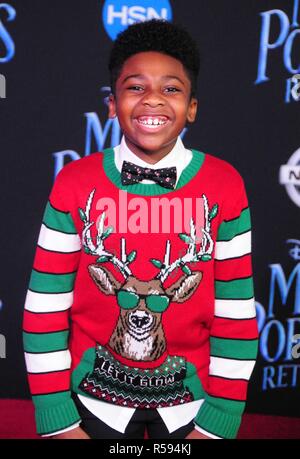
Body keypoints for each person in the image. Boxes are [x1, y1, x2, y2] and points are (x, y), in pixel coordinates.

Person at [23, 19, 258, 440]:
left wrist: (219, 420)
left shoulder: (225, 184)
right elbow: (44, 308)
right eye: (135, 87)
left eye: (171, 89)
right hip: (91, 403)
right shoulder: (74, 182)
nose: (153, 100)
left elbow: (235, 314)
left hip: (193, 405)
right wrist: (56, 417)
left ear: (192, 108)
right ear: (112, 104)